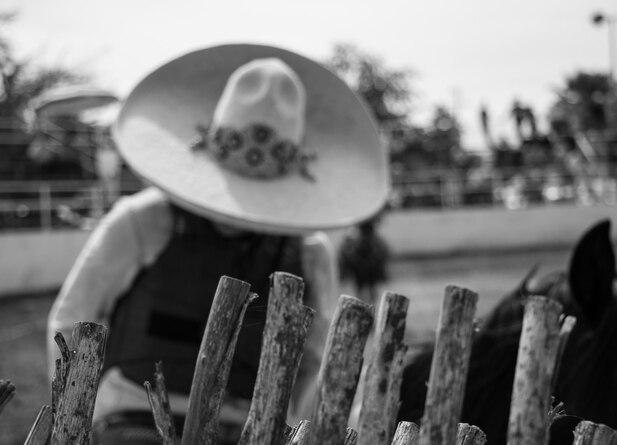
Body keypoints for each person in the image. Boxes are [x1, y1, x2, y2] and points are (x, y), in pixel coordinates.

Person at [47, 44, 388, 445]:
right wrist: (71, 423)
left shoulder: (310, 252)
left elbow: (314, 360)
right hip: (133, 416)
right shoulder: (143, 220)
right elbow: (73, 323)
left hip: (249, 427)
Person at [338, 213, 390, 305]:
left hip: (369, 235)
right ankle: (344, 274)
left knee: (382, 250)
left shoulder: (372, 213)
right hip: (361, 235)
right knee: (346, 250)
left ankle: (372, 304)